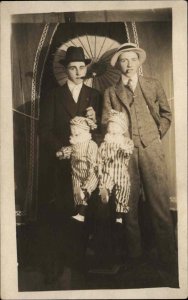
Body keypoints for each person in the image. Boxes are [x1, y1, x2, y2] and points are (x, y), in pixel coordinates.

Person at [101, 43, 177, 275]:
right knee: (128, 205)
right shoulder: (111, 92)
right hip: (124, 154)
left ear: (139, 62)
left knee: (159, 204)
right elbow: (105, 121)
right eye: (124, 60)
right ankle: (135, 257)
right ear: (119, 65)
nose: (129, 64)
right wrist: (118, 136)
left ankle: (168, 257)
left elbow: (166, 114)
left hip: (151, 150)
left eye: (133, 59)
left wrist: (154, 136)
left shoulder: (152, 84)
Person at [38, 46, 102, 282]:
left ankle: (79, 260)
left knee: (84, 210)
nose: (77, 71)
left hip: (86, 165)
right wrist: (61, 149)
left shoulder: (94, 96)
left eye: (81, 67)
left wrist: (94, 128)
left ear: (86, 69)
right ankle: (59, 262)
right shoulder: (53, 96)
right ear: (66, 70)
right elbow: (44, 130)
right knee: (63, 210)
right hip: (62, 163)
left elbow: (101, 132)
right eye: (73, 68)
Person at [56, 116, 98, 222]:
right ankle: (80, 213)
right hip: (76, 173)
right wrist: (62, 153)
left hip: (89, 171)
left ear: (85, 133)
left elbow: (93, 159)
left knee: (89, 184)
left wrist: (92, 168)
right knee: (77, 191)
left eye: (77, 134)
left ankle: (86, 197)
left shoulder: (91, 144)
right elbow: (69, 150)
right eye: (72, 134)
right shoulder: (75, 145)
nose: (73, 136)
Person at [98, 109, 134, 224]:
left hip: (120, 172)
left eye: (115, 125)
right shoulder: (105, 143)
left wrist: (125, 148)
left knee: (123, 188)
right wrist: (99, 168)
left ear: (122, 129)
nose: (112, 128)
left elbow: (129, 151)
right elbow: (100, 156)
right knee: (105, 181)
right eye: (110, 125)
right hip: (107, 170)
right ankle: (105, 192)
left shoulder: (126, 141)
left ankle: (119, 214)